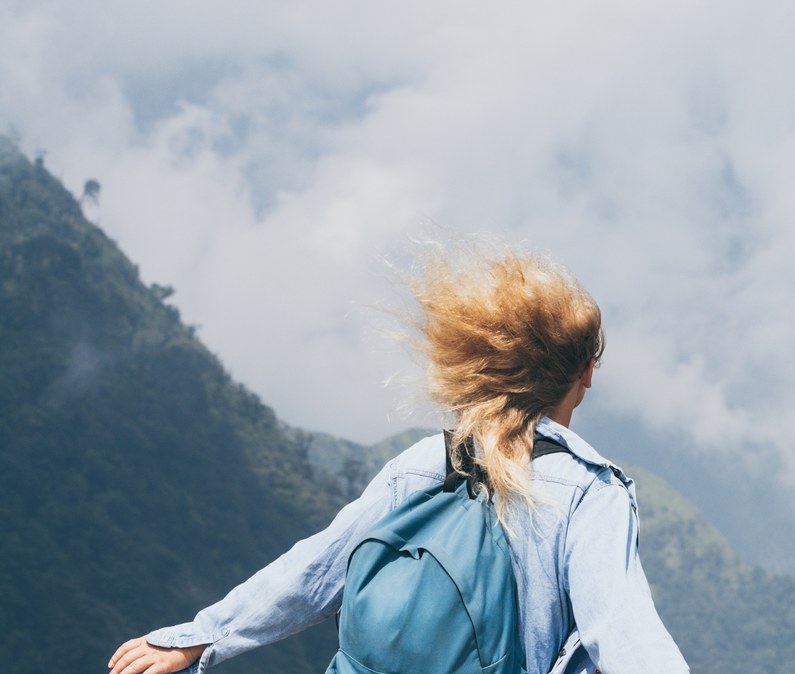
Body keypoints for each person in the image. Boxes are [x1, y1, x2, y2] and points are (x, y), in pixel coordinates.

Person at [107, 243, 690, 674]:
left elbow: (314, 572)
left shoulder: (424, 463)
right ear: (586, 371)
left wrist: (198, 638)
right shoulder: (588, 496)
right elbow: (623, 635)